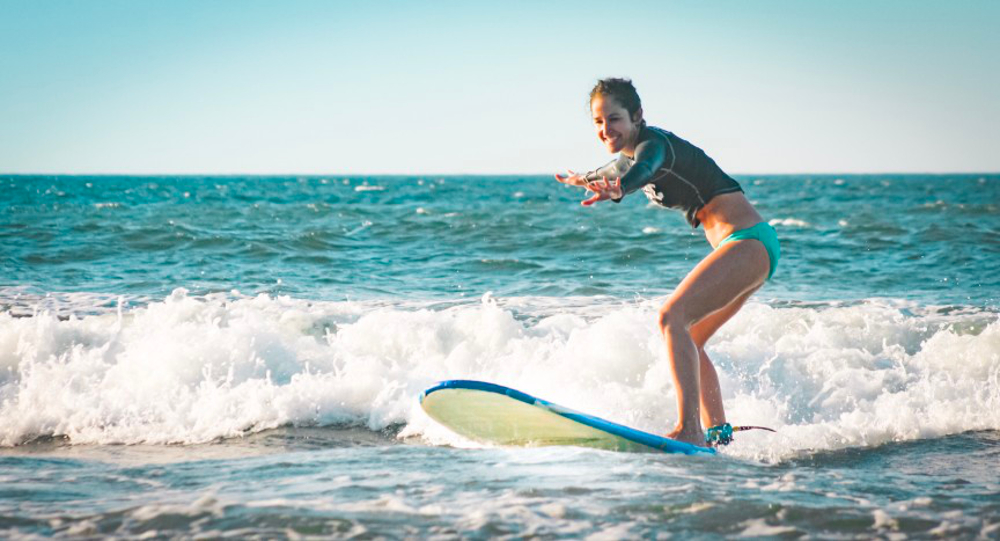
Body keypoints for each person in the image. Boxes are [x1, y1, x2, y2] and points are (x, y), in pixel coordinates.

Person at [555, 78, 780, 447]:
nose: (605, 129)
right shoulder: (629, 156)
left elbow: (640, 171)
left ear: (637, 116)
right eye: (598, 122)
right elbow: (614, 170)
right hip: (753, 247)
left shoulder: (654, 146)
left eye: (614, 119)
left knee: (670, 317)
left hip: (747, 243)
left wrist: (622, 188)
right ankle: (717, 435)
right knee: (691, 337)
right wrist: (585, 179)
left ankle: (689, 428)